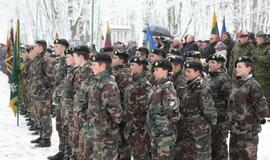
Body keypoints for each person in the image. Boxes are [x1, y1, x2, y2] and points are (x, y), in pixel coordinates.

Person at [228, 56, 269, 160]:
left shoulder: (253, 85)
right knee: (233, 157)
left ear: (249, 68)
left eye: (240, 66)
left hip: (248, 133)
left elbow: (262, 110)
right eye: (236, 66)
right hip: (235, 130)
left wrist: (252, 120)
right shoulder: (237, 83)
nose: (236, 69)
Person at [177, 61, 217, 159]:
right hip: (188, 130)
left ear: (198, 72)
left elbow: (210, 112)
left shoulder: (202, 89)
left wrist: (205, 126)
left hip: (200, 131)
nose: (186, 73)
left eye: (189, 71)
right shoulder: (188, 87)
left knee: (202, 156)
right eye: (185, 71)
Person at [88, 53, 123, 159]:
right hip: (97, 129)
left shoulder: (108, 83)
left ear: (102, 66)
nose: (91, 67)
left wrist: (112, 126)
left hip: (106, 132)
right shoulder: (98, 80)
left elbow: (114, 108)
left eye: (94, 64)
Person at [147, 60, 180, 159]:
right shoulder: (157, 86)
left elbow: (173, 112)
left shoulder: (167, 88)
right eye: (154, 70)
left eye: (157, 70)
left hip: (164, 134)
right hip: (156, 132)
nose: (154, 72)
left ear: (165, 71)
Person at [206, 54, 234, 160]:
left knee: (220, 146)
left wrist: (227, 120)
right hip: (210, 117)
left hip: (220, 118)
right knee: (211, 144)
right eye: (209, 62)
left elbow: (231, 100)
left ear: (220, 64)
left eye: (213, 62)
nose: (210, 64)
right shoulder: (208, 76)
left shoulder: (224, 79)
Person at [124, 56, 151, 159]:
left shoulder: (144, 84)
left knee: (141, 154)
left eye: (133, 65)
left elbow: (145, 108)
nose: (130, 67)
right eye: (130, 64)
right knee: (135, 153)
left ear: (141, 67)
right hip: (132, 125)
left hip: (139, 127)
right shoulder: (133, 81)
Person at [30, 40, 54, 147]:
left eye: (35, 46)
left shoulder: (45, 60)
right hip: (36, 93)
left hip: (43, 94)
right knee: (39, 115)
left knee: (45, 116)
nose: (33, 48)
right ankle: (41, 135)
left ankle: (46, 138)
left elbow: (51, 76)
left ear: (41, 47)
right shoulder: (37, 59)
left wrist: (47, 91)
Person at [48, 39, 69, 160]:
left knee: (66, 127)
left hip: (65, 100)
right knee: (60, 126)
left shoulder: (68, 60)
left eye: (57, 46)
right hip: (60, 100)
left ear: (64, 47)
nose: (54, 48)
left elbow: (67, 81)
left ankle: (67, 152)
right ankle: (62, 150)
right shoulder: (61, 60)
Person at [111, 50, 131, 159]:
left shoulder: (124, 72)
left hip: (122, 108)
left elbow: (124, 93)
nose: (113, 60)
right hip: (117, 108)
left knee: (123, 140)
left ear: (122, 60)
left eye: (115, 58)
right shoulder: (115, 70)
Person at [254, 31, 270, 107]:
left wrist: (257, 58)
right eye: (256, 39)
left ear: (263, 39)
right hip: (257, 76)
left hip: (266, 77)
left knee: (266, 96)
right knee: (258, 96)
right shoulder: (257, 48)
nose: (257, 40)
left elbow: (268, 58)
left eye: (258, 39)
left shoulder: (268, 47)